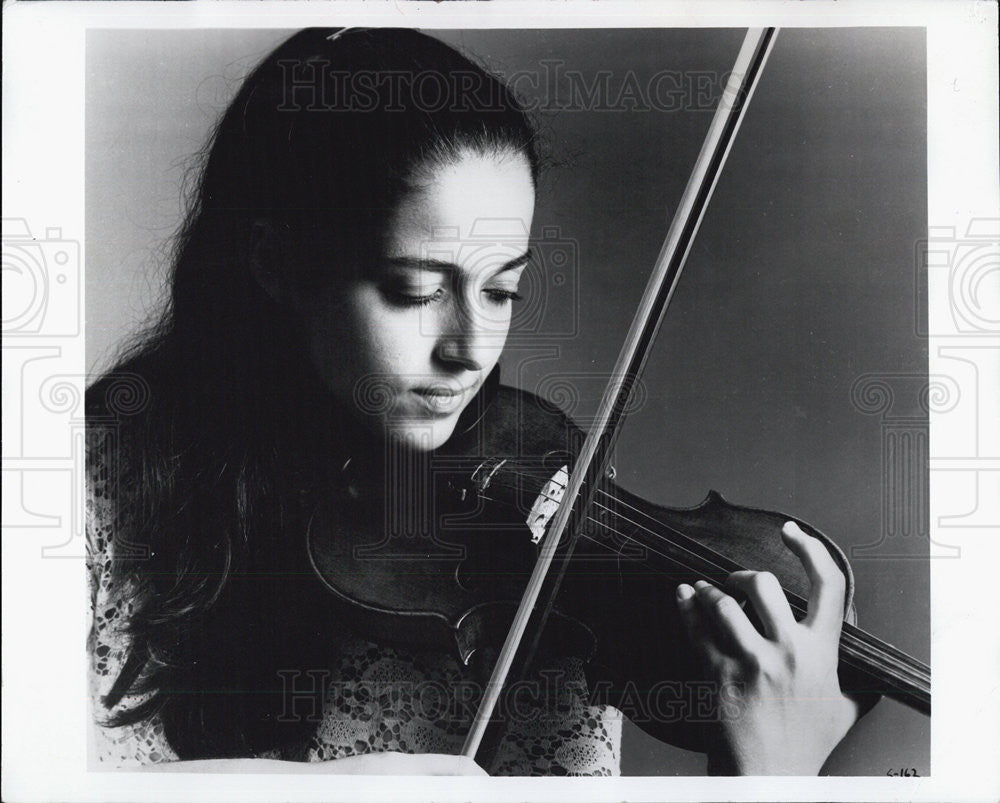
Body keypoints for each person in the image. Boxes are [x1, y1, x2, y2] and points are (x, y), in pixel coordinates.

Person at [86, 27, 863, 776]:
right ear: (276, 262)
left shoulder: (539, 502)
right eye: (416, 290)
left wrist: (768, 766)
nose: (468, 350)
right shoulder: (83, 490)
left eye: (502, 290)